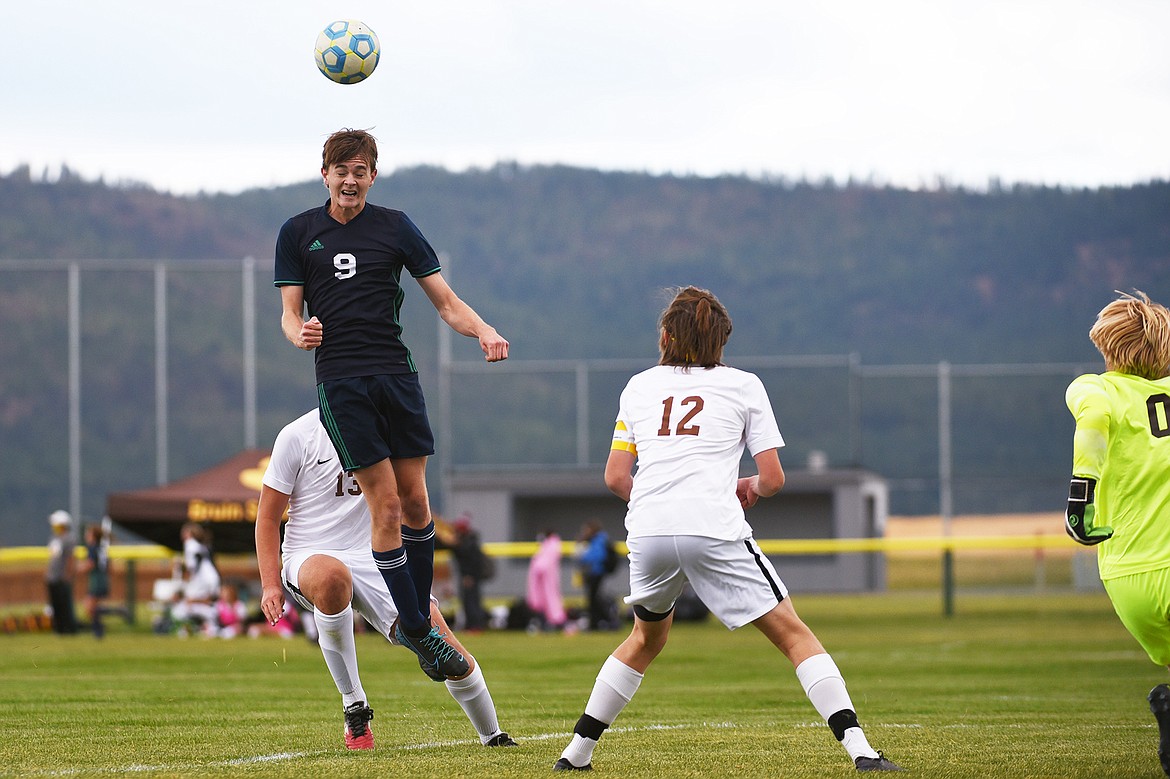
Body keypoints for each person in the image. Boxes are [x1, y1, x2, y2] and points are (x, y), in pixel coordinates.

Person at [554, 286, 901, 773]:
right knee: (794, 635)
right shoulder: (743, 385)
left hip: (648, 531)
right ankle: (862, 751)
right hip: (711, 527)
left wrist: (660, 500)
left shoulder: (637, 386)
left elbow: (615, 478)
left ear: (667, 334)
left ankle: (575, 754)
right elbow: (775, 479)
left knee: (644, 640)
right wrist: (751, 486)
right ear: (720, 340)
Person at [274, 128, 509, 679]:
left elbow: (446, 302)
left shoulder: (396, 226)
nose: (350, 180)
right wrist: (298, 333)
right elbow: (289, 315)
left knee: (419, 505)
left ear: (373, 176)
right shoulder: (298, 232)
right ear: (325, 174)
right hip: (342, 381)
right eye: (341, 170)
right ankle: (420, 629)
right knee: (386, 508)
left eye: (360, 171)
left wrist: (482, 330)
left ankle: (418, 625)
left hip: (396, 375)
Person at [255, 408, 516, 750]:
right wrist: (270, 584)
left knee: (448, 649)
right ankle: (354, 706)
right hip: (310, 553)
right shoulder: (297, 434)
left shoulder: (388, 427)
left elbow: (411, 502)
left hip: (377, 555)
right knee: (333, 577)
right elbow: (267, 518)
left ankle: (492, 735)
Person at [1064, 290, 1170, 777]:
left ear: (1106, 346)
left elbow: (1094, 421)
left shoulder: (1094, 387)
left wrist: (1079, 499)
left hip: (1127, 575)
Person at [438, 514, 491, 632]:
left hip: (470, 576)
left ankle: (475, 626)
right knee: (468, 601)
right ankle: (471, 625)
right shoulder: (466, 541)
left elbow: (472, 561)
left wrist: (469, 576)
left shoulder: (468, 543)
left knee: (471, 601)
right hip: (467, 576)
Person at [577, 520, 617, 631]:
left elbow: (597, 556)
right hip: (595, 572)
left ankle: (602, 622)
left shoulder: (599, 539)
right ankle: (599, 622)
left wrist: (583, 557)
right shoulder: (598, 539)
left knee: (594, 599)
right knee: (594, 599)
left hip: (597, 573)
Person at [526, 530, 567, 632]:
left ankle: (553, 624)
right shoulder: (553, 546)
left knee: (549, 604)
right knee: (549, 604)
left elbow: (541, 566)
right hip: (547, 582)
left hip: (546, 582)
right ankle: (551, 624)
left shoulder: (550, 547)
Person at [45, 510, 78, 635]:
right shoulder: (54, 539)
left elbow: (71, 558)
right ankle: (58, 628)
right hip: (52, 577)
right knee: (55, 604)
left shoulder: (69, 539)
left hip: (62, 577)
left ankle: (68, 628)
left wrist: (68, 574)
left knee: (65, 604)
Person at [80, 523, 112, 638]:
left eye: (88, 534)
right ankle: (98, 631)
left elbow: (90, 564)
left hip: (96, 580)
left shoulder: (92, 548)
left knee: (89, 606)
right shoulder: (101, 548)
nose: (86, 536)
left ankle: (117, 612)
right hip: (103, 578)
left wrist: (78, 568)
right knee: (92, 606)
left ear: (93, 536)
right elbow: (109, 566)